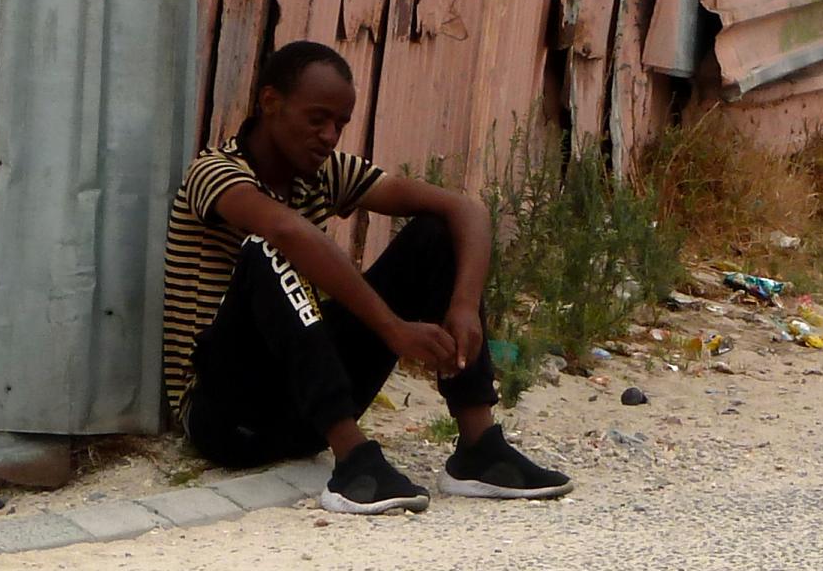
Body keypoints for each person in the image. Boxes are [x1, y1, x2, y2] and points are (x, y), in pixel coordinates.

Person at [163, 42, 571, 515]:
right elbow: (285, 231)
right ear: (270, 102)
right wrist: (393, 329)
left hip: (301, 408)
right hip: (227, 418)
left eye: (340, 124)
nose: (329, 136)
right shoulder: (214, 172)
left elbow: (467, 210)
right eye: (317, 119)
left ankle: (480, 448)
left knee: (435, 234)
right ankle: (354, 459)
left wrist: (463, 304)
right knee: (267, 249)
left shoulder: (323, 173)